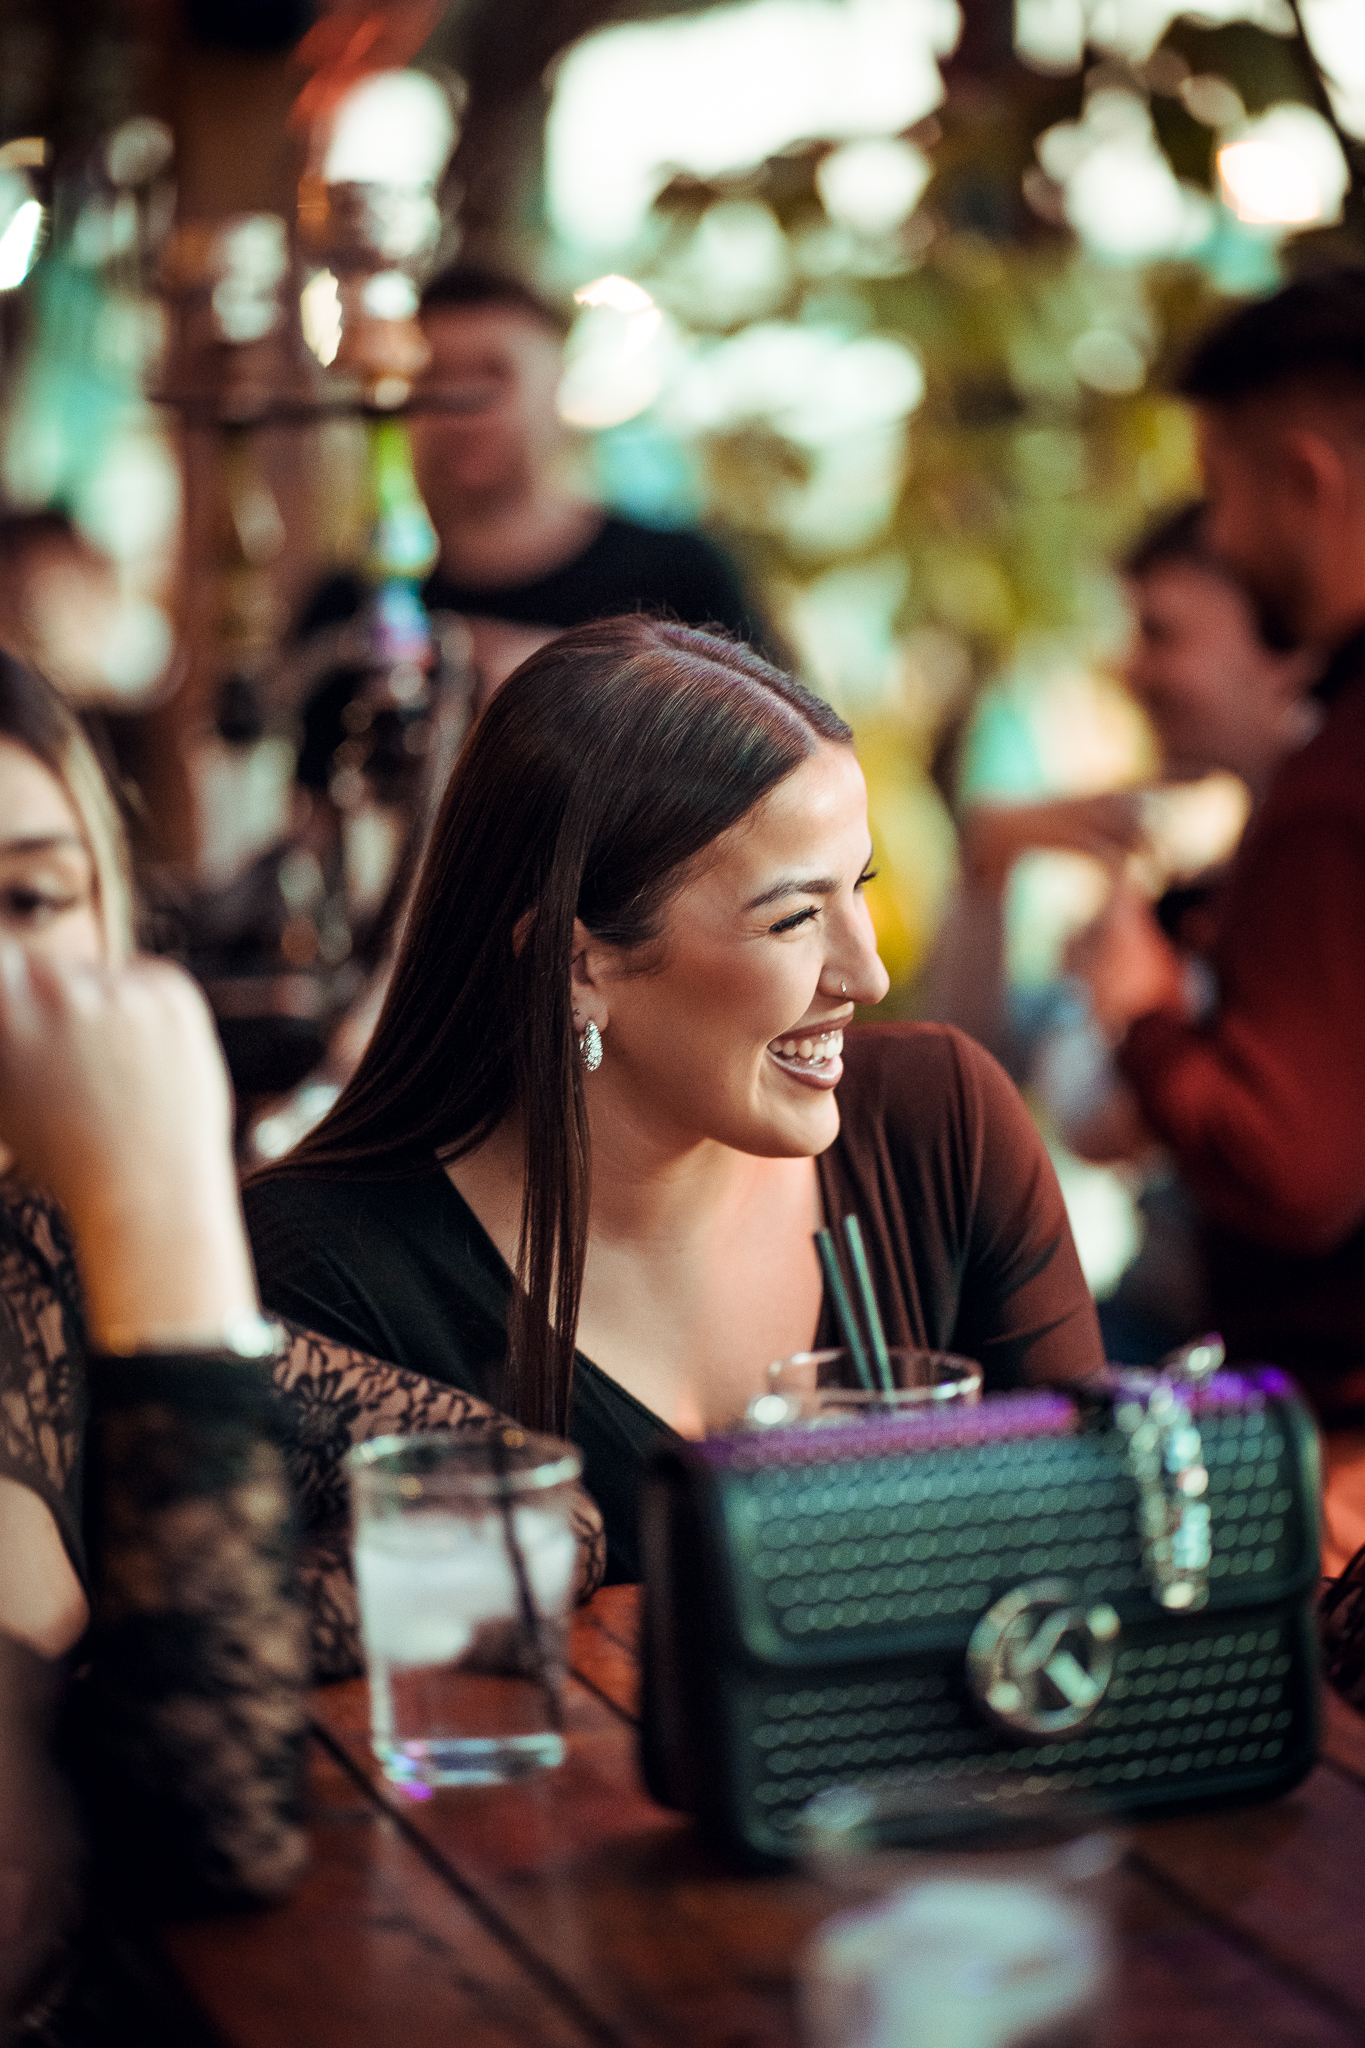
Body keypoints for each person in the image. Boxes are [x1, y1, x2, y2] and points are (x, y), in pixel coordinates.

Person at [245, 619, 1105, 1582]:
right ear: (578, 966)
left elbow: (1105, 1551)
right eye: (794, 917)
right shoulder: (321, 1277)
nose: (865, 975)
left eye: (857, 886)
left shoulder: (941, 1126)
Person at [0, 655, 606, 1931]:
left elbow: (528, 1513)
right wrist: (163, 1218)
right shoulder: (114, 1242)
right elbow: (213, 1840)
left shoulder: (33, 1265)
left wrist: (186, 1629)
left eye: (31, 897)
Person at [1062, 272, 1365, 1419]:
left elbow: (1291, 1171)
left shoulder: (1336, 781)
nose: (1223, 538)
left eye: (1222, 494)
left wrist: (1145, 1014)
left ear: (1305, 479)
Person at [297, 266, 763, 702]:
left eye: (492, 373)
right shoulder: (350, 607)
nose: (460, 405)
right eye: (433, 377)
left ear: (556, 385)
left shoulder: (681, 579)